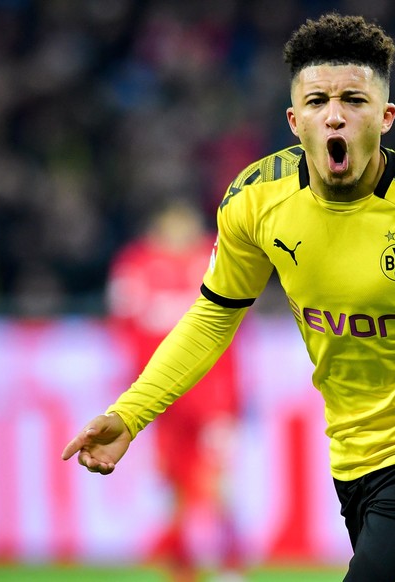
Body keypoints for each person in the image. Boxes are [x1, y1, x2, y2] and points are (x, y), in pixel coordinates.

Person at [63, 13, 395, 581]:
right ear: (295, 120)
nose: (335, 115)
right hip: (355, 462)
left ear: (385, 117)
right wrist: (130, 414)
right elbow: (213, 318)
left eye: (354, 101)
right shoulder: (255, 203)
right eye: (317, 101)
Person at [106, 201, 242, 580]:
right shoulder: (134, 264)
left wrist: (233, 394)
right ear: (158, 226)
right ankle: (183, 569)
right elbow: (123, 326)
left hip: (212, 393)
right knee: (175, 485)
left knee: (215, 481)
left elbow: (233, 325)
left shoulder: (212, 256)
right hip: (162, 398)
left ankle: (231, 564)